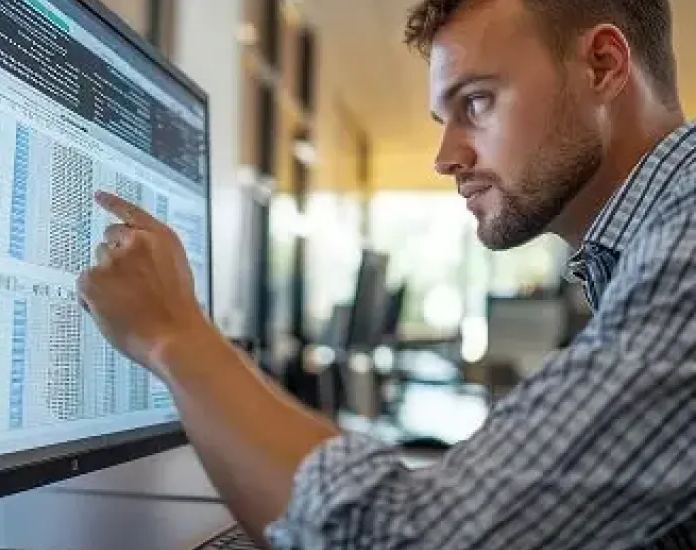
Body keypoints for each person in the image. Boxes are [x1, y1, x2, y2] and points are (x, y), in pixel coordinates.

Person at [77, 0, 696, 547]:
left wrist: (173, 335)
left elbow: (408, 539)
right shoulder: (633, 255)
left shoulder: (686, 244)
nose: (446, 158)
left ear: (604, 66)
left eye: (476, 101)